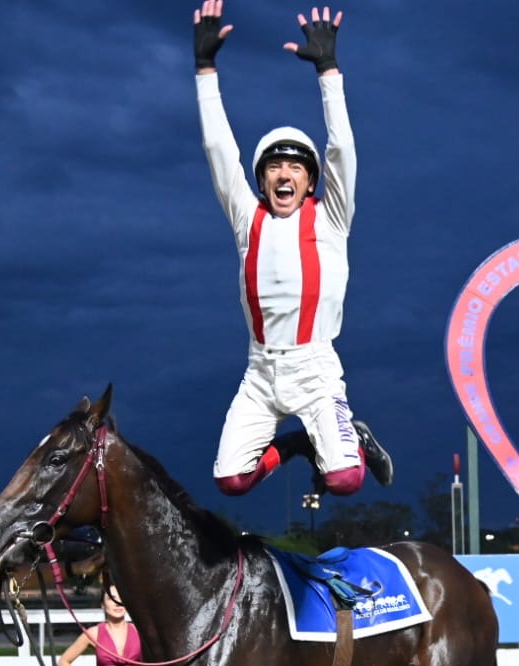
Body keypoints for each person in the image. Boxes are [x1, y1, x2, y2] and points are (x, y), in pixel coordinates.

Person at [193, 2, 393, 499]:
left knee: (345, 480)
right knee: (230, 480)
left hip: (314, 369)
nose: (285, 174)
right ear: (261, 179)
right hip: (260, 369)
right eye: (274, 168)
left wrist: (329, 72)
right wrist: (204, 70)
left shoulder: (330, 216)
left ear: (310, 181)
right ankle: (298, 443)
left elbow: (341, 148)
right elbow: (220, 149)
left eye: (296, 167)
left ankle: (328, 439)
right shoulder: (247, 217)